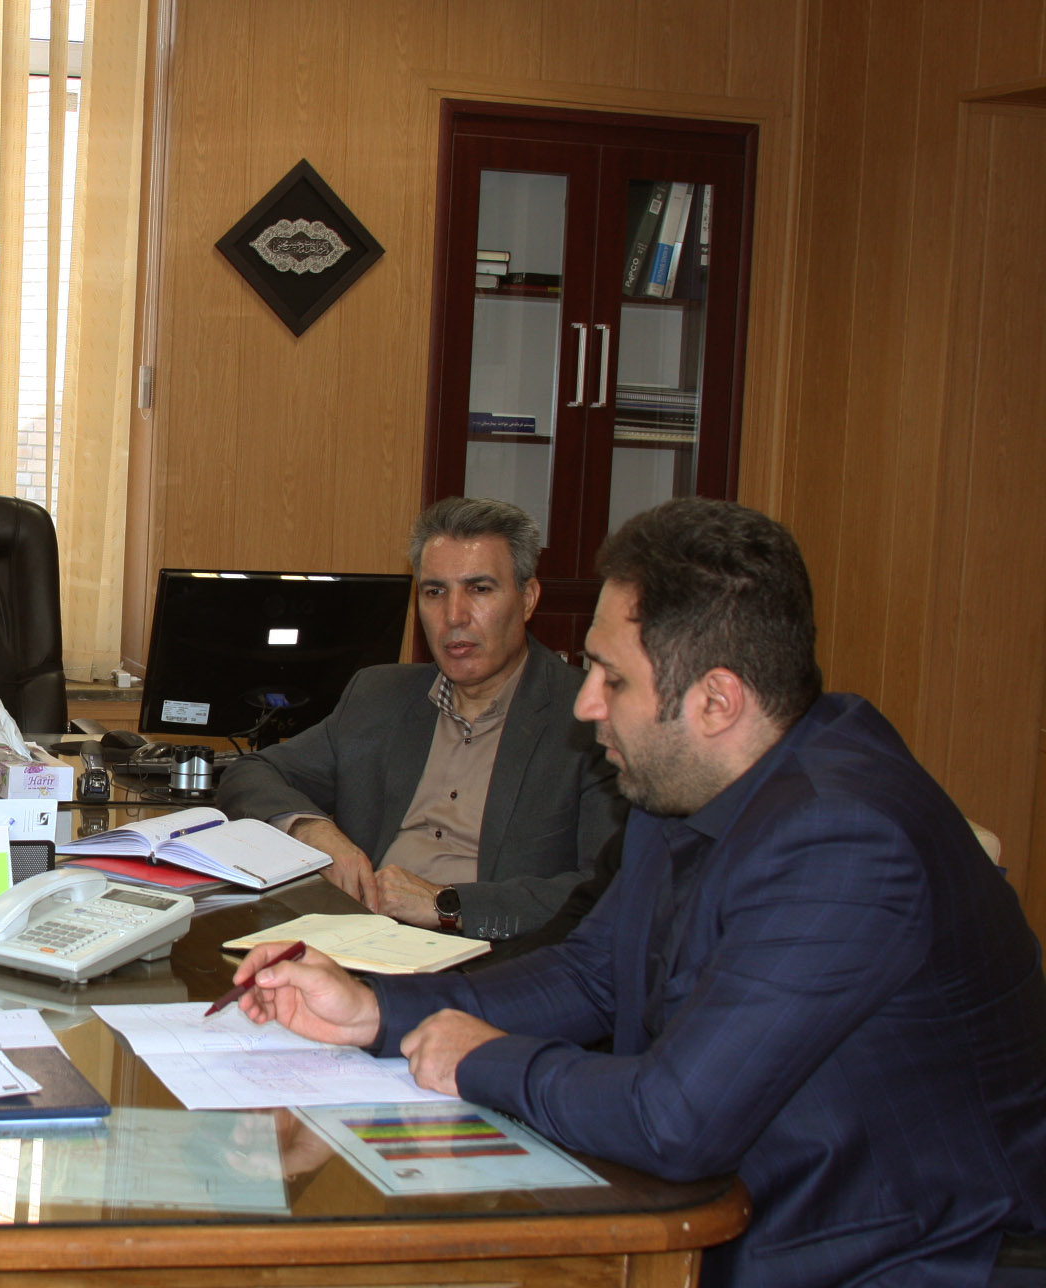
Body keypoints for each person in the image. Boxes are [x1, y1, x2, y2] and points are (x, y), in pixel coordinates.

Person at [232, 497, 1046, 1287]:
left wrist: (481, 1058)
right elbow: (593, 972)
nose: (586, 706)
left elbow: (674, 1120)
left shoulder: (845, 838)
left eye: (612, 680)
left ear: (716, 700)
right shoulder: (689, 776)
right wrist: (379, 1012)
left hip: (887, 1255)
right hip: (726, 1213)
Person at [218, 496, 624, 940]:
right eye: (435, 592)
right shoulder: (379, 697)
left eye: (479, 589)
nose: (454, 616)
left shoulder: (591, 716)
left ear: (527, 600)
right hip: (360, 938)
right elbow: (251, 774)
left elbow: (609, 891)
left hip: (495, 956)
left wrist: (446, 904)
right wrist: (312, 830)